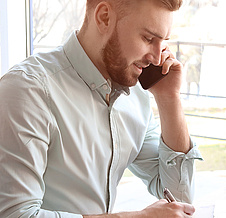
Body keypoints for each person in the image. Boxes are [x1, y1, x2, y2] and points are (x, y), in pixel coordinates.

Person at [0, 0, 202, 217]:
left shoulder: (135, 95)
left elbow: (180, 198)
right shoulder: (27, 90)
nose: (156, 57)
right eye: (148, 38)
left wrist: (169, 98)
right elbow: (16, 214)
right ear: (104, 17)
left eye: (162, 42)